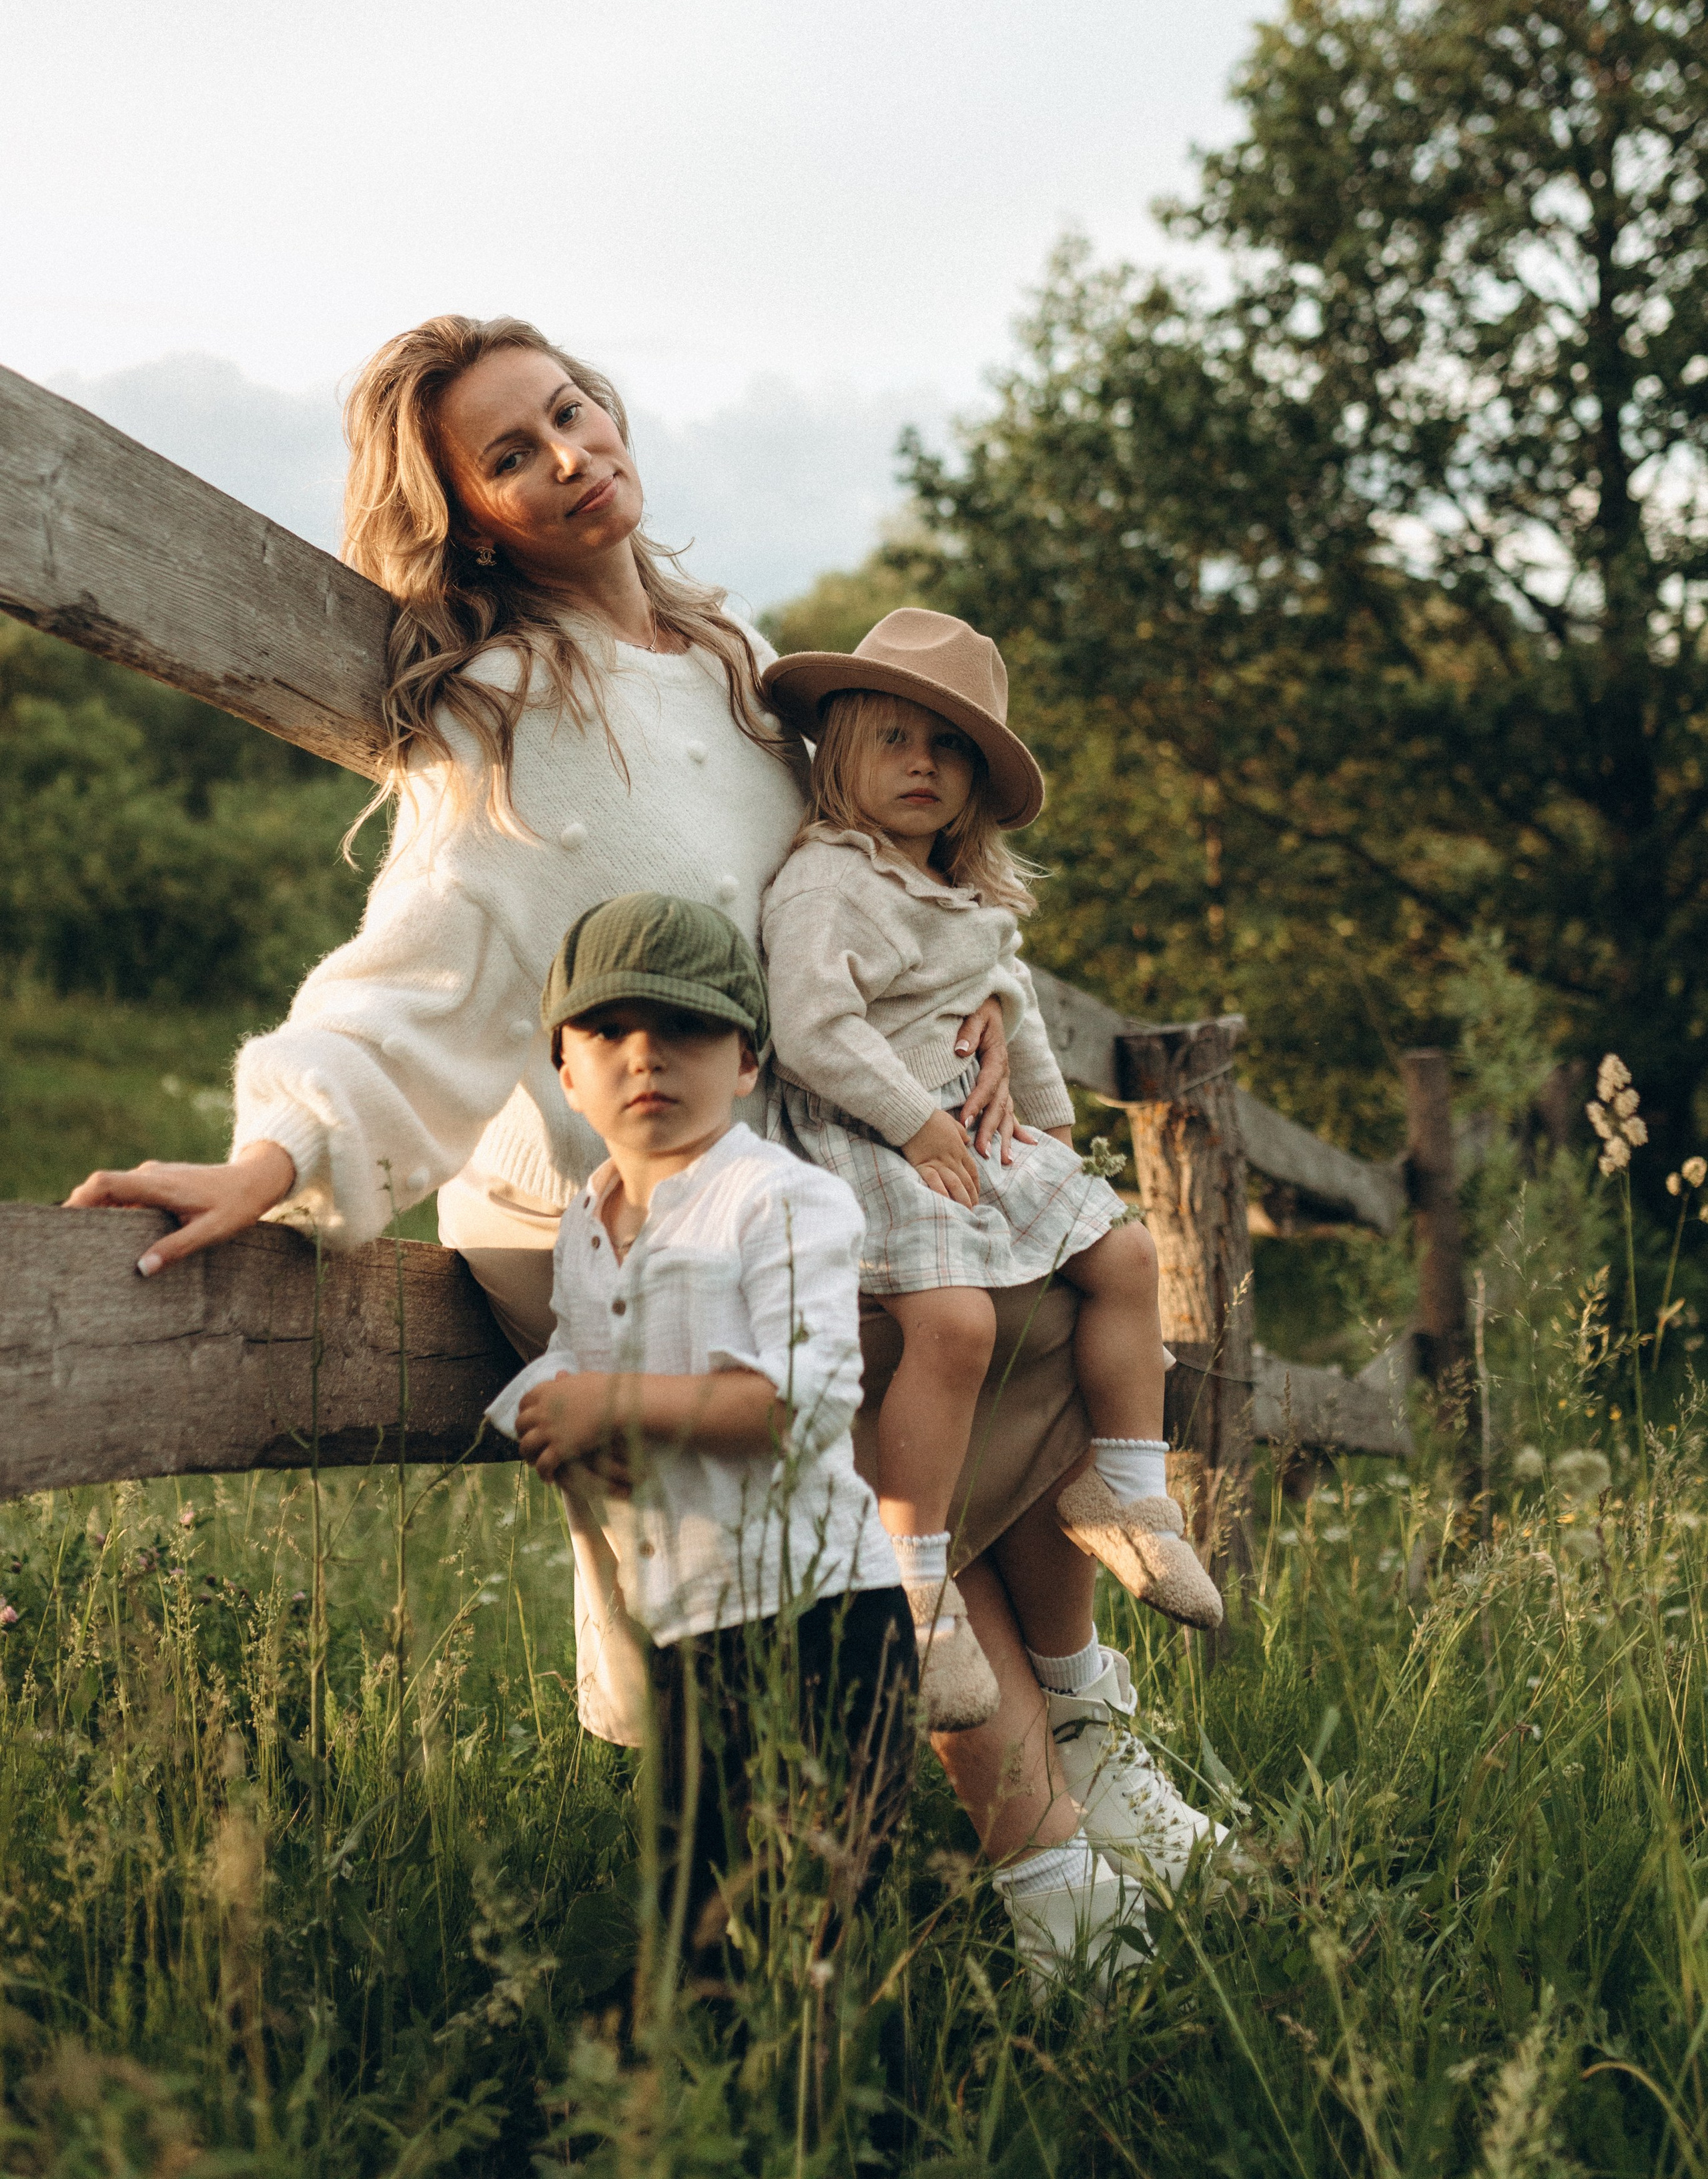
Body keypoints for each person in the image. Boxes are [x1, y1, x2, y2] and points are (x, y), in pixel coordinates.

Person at [64, 314, 1210, 1983]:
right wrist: (279, 1148)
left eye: (571, 411)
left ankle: (1101, 1774)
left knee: (1019, 1303)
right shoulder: (507, 707)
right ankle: (1057, 1896)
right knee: (884, 1398)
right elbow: (430, 955)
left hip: (803, 1153)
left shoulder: (730, 669)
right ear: (467, 516)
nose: (567, 456)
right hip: (616, 1195)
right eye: (510, 455)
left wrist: (951, 1039)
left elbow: (863, 895)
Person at [759, 608, 1224, 1736]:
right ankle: (914, 1583)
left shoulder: (968, 902)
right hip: (871, 1140)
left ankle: (1128, 1485)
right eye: (896, 740)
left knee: (1126, 1252)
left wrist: (1054, 1142)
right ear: (839, 754)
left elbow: (1018, 1023)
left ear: (976, 786)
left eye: (952, 748)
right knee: (956, 1325)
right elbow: (815, 1029)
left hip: (966, 1144)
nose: (925, 765)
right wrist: (921, 1125)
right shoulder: (827, 880)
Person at [487, 890, 915, 1951]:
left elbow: (804, 1400)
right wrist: (555, 1413)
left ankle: (847, 2104)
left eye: (685, 1027)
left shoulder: (781, 1200)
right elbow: (588, 1365)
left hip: (825, 1617)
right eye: (609, 1031)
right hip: (688, 1619)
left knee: (819, 1916)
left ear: (749, 1061)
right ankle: (691, 2095)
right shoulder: (585, 1223)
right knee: (696, 1906)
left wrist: (613, 1402)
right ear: (563, 1067)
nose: (647, 1056)